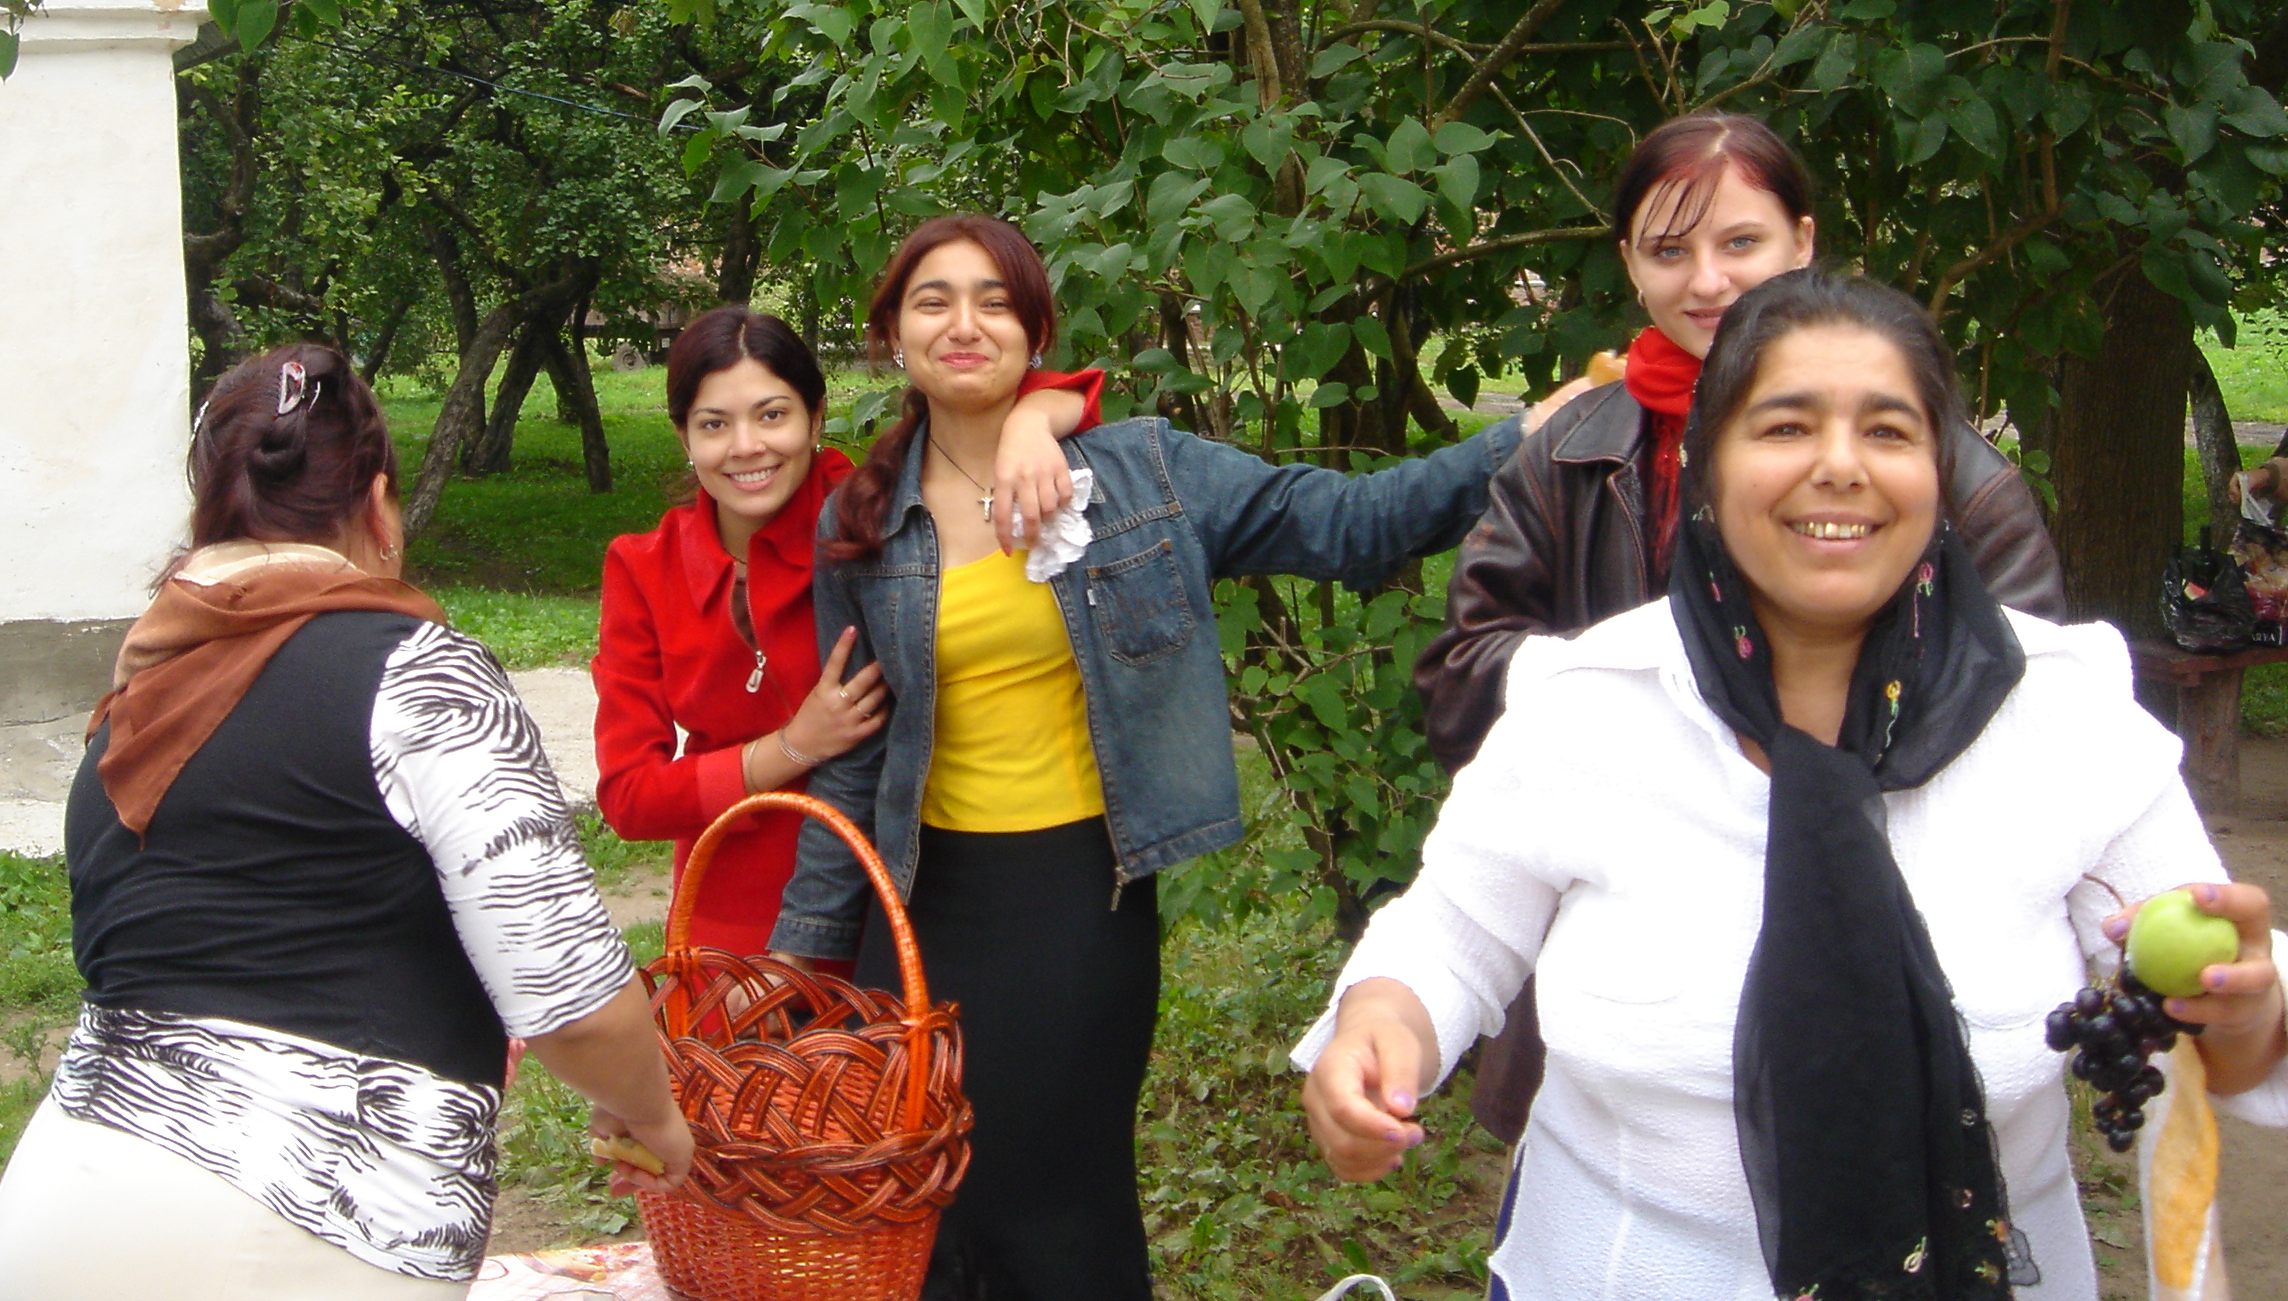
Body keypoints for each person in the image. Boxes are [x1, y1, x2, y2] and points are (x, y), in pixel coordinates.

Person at [1301, 270, 2288, 1301]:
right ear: (1708, 465)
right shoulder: (1588, 703)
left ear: (1940, 473)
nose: (1840, 466)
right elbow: (1449, 939)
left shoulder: (2062, 712)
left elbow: (2218, 1020)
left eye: (1889, 432)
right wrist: (1381, 1030)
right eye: (1785, 427)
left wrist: (2246, 1011)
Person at [768, 214, 1563, 1301]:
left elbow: (1356, 523)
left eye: (995, 302)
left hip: (1071, 903)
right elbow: (853, 760)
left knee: (1055, 1208)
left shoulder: (1142, 473)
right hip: (913, 909)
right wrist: (796, 968)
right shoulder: (862, 521)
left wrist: (1526, 438)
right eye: (933, 301)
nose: (964, 324)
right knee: (918, 1210)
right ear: (892, 333)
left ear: (1035, 331)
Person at [0, 343, 691, 1300]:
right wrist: (651, 1114)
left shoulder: (141, 695)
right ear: (380, 507)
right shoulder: (421, 674)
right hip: (290, 1227)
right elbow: (574, 1003)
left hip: (60, 1204)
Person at [1412, 111, 2065, 1141]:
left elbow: (2030, 721)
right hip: (1632, 950)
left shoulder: (1949, 479)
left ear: (1802, 242)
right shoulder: (1568, 453)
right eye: (1669, 250)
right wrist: (1638, 709)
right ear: (1630, 264)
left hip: (1882, 941)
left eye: (1741, 242)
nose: (1707, 280)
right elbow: (1460, 673)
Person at [594, 307, 1102, 956]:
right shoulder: (645, 567)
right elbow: (630, 797)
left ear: (816, 417)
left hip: (894, 910)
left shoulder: (878, 520)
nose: (746, 446)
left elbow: (1067, 394)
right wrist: (791, 748)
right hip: (732, 927)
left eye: (772, 415)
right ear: (683, 437)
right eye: (714, 424)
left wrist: (1031, 423)